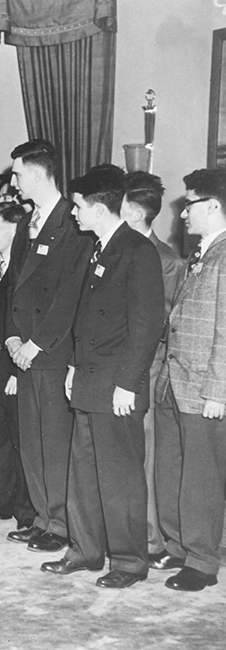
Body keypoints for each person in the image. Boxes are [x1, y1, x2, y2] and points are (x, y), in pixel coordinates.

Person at [40, 165, 165, 589]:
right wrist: (74, 366)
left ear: (97, 207)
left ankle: (129, 562)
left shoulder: (136, 250)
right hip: (90, 381)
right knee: (84, 472)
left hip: (117, 387)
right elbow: (87, 319)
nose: (73, 213)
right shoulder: (99, 247)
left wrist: (127, 384)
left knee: (120, 477)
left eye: (77, 206)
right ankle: (86, 550)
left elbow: (146, 326)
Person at [4, 139, 93, 553]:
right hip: (23, 350)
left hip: (51, 352)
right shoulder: (26, 223)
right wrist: (12, 336)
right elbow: (14, 289)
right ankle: (42, 517)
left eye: (17, 173)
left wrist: (35, 344)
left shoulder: (72, 224)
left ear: (38, 174)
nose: (13, 180)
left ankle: (59, 524)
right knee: (31, 441)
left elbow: (69, 296)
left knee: (55, 442)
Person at [154, 168, 226, 592]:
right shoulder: (202, 252)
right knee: (172, 468)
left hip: (202, 387)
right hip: (174, 381)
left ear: (213, 206)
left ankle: (202, 561)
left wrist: (218, 390)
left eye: (190, 204)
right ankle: (178, 544)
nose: (183, 214)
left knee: (200, 476)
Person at [121, 171, 186, 563]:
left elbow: (159, 324)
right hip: (117, 368)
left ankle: (150, 541)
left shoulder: (167, 261)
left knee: (146, 459)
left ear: (133, 212)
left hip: (147, 370)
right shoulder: (114, 249)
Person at [0, 202, 34, 530]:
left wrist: (17, 371)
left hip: (15, 366)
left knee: (21, 440)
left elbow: (26, 320)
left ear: (16, 231)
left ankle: (27, 511)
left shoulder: (25, 268)